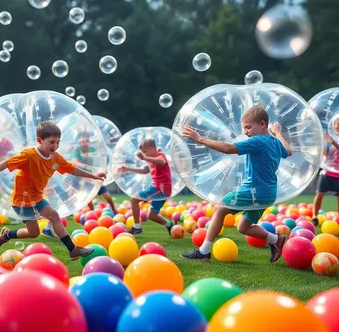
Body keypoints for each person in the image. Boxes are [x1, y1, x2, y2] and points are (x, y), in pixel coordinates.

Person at [0, 121, 106, 259]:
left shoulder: (55, 157)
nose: (55, 146)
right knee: (33, 233)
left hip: (37, 198)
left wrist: (92, 176)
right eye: (51, 142)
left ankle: (72, 249)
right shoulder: (29, 155)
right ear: (39, 140)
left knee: (54, 216)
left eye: (58, 142)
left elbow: (72, 169)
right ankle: (7, 235)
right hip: (22, 201)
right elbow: (7, 163)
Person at [181, 104, 292, 263]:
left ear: (262, 124)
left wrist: (200, 139)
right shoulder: (274, 142)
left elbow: (228, 148)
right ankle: (277, 240)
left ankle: (204, 251)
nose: (245, 131)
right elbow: (288, 151)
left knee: (219, 208)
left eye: (248, 127)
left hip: (254, 191)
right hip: (268, 193)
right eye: (244, 128)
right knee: (243, 227)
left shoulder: (258, 141)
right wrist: (279, 133)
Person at [41, 131, 117, 239]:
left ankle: (49, 228)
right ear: (79, 140)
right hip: (76, 180)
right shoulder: (76, 150)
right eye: (82, 139)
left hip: (90, 180)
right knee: (66, 203)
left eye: (86, 140)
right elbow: (74, 163)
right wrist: (89, 168)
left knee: (70, 203)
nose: (84, 142)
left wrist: (98, 171)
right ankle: (48, 228)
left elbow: (99, 163)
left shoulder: (93, 150)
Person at [117, 137, 175, 236]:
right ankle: (170, 225)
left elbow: (162, 162)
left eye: (145, 151)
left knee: (134, 199)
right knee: (151, 215)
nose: (144, 154)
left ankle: (137, 228)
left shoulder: (160, 155)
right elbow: (145, 170)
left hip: (160, 188)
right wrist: (128, 169)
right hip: (160, 189)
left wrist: (145, 158)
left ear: (152, 148)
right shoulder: (151, 159)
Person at [312, 116, 339, 225]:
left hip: (338, 175)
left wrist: (332, 142)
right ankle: (315, 217)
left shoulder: (331, 140)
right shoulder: (328, 138)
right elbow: (323, 155)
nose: (337, 125)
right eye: (336, 123)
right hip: (326, 173)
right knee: (319, 195)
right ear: (332, 125)